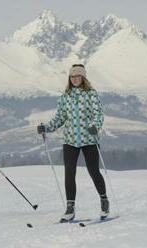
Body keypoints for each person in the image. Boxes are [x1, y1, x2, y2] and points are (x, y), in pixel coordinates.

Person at [37, 64, 109, 222]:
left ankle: (104, 200)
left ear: (83, 78)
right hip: (70, 140)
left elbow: (98, 115)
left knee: (93, 171)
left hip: (89, 139)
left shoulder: (91, 94)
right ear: (69, 78)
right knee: (69, 173)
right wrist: (46, 128)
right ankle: (70, 207)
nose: (75, 79)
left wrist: (95, 127)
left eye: (78, 76)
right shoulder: (65, 96)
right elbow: (60, 118)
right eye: (72, 76)